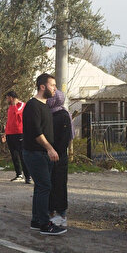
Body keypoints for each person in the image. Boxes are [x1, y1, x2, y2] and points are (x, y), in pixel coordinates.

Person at [22, 73, 66, 235]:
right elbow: (36, 132)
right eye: (52, 85)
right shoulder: (32, 106)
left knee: (40, 187)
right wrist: (50, 148)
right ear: (42, 87)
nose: (55, 88)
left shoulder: (44, 105)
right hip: (35, 153)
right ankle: (44, 224)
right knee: (44, 186)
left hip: (41, 154)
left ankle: (36, 220)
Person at [47, 89, 73, 227]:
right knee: (49, 184)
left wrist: (55, 151)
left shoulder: (63, 115)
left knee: (60, 184)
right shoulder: (47, 113)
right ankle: (50, 211)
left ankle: (61, 213)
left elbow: (65, 138)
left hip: (59, 156)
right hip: (48, 154)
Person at [1, 90, 30, 183]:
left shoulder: (21, 105)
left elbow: (17, 112)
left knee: (22, 155)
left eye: (7, 98)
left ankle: (28, 176)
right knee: (14, 155)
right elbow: (9, 121)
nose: (6, 100)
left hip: (19, 133)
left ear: (11, 97)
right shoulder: (10, 107)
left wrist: (14, 104)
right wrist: (5, 133)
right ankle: (19, 174)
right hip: (10, 133)